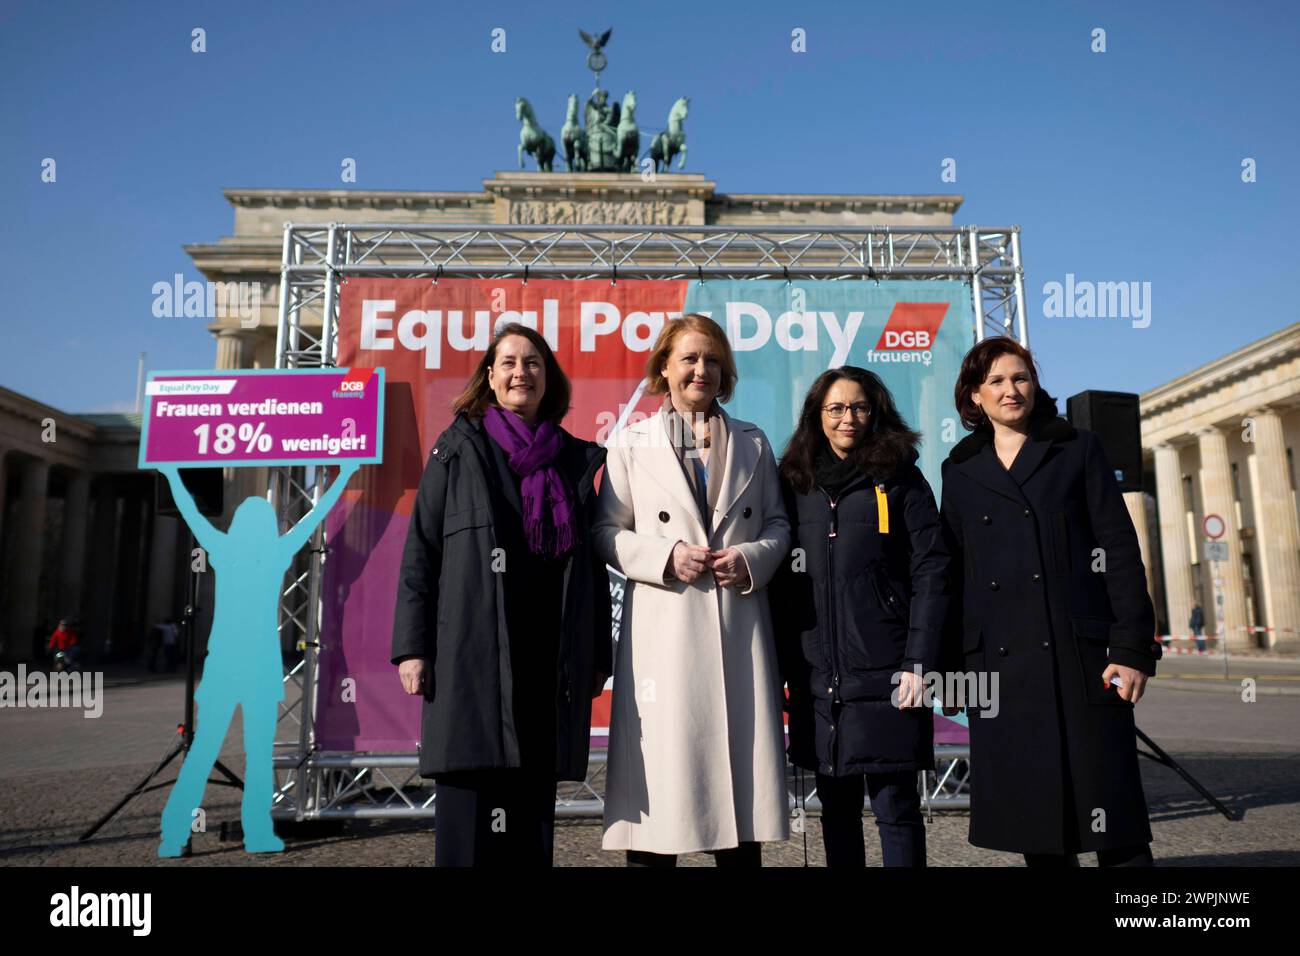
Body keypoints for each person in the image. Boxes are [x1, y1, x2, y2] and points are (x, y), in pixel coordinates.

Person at [391, 323, 611, 868]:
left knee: (531, 831)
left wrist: (595, 657)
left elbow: (591, 572)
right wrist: (412, 648)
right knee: (468, 826)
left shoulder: (574, 460)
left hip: (545, 663)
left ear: (548, 377)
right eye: (509, 362)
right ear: (489, 376)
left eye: (533, 362)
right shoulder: (458, 448)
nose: (522, 372)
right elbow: (421, 551)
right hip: (471, 659)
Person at [939, 337, 1161, 867]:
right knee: (1038, 825)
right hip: (1000, 667)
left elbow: (1119, 550)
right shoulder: (959, 469)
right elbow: (952, 576)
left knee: (1114, 819)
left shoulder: (1077, 448)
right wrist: (949, 670)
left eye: (1020, 378)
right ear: (974, 396)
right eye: (995, 381)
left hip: (1081, 660)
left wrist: (1131, 648)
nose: (1010, 390)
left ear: (1035, 386)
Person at [594, 313, 790, 866]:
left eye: (711, 359)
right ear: (664, 367)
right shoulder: (630, 443)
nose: (700, 369)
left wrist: (752, 558)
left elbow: (778, 525)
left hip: (738, 632)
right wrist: (665, 556)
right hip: (665, 641)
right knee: (661, 814)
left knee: (741, 821)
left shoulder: (753, 442)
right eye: (688, 358)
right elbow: (605, 533)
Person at [773, 366, 948, 867]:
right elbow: (783, 586)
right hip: (818, 677)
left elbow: (931, 572)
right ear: (817, 416)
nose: (848, 418)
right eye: (836, 408)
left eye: (859, 407)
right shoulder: (795, 482)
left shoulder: (901, 478)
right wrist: (787, 666)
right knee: (837, 809)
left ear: (875, 413)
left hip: (890, 670)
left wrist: (920, 661)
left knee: (896, 806)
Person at [157, 459, 359, 856]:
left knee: (202, 751)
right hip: (261, 668)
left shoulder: (223, 549)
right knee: (258, 754)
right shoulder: (277, 553)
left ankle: (175, 835)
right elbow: (317, 515)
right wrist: (347, 476)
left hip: (223, 666)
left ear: (237, 526)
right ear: (267, 527)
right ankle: (257, 833)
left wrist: (171, 476)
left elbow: (191, 513)